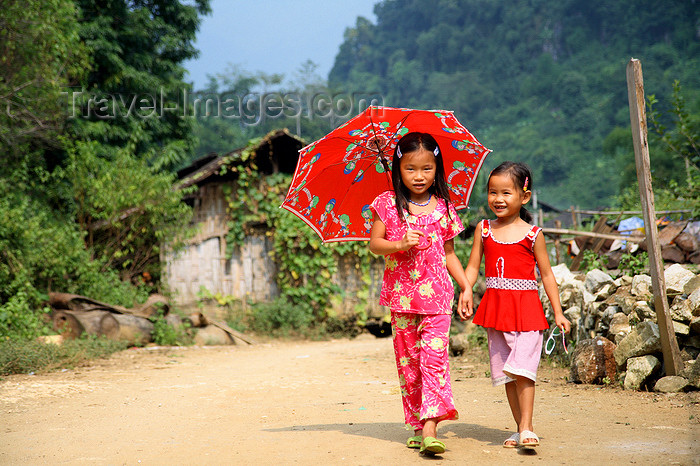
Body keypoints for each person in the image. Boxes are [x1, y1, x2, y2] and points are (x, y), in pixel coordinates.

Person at [369, 132, 472, 456]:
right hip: (401, 299)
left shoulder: (444, 207)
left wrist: (466, 286)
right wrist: (399, 244)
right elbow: (374, 245)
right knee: (409, 363)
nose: (419, 176)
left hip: (439, 297)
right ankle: (415, 423)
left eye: (427, 168)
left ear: (436, 168)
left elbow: (450, 254)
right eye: (411, 168)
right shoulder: (386, 204)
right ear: (398, 168)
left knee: (434, 361)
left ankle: (430, 427)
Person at [464, 161, 571, 449]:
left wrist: (558, 312)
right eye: (492, 192)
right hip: (496, 311)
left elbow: (547, 274)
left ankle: (527, 427)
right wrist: (465, 289)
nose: (498, 199)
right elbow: (473, 267)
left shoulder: (534, 235)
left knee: (523, 370)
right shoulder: (483, 230)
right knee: (507, 374)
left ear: (524, 196)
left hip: (527, 312)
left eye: (505, 193)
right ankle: (519, 428)